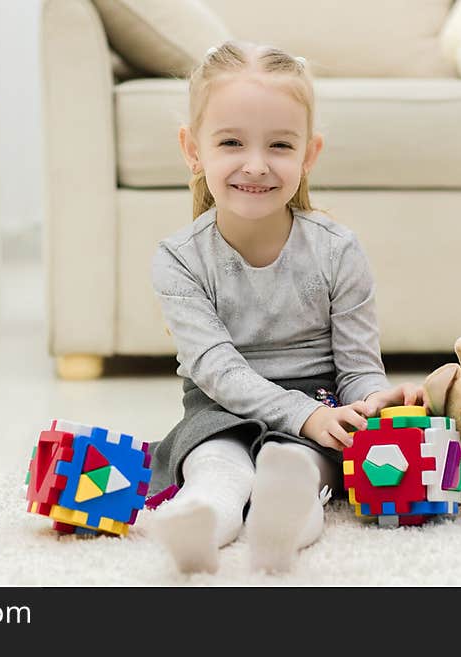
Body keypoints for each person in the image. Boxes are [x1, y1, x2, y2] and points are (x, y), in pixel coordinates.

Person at [147, 41, 424, 575]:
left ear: (309, 154)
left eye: (279, 145)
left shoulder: (337, 250)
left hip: (320, 410)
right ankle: (198, 520)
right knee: (217, 464)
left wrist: (374, 402)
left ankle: (281, 528)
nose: (256, 165)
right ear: (193, 150)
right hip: (220, 409)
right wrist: (306, 415)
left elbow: (359, 367)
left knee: (297, 467)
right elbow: (216, 370)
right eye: (231, 142)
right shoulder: (178, 259)